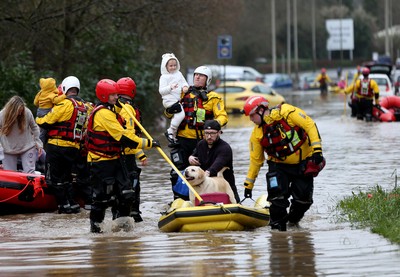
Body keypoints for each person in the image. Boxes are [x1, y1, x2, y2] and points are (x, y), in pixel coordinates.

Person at [86, 79, 160, 233]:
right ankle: (96, 229)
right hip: (100, 162)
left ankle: (121, 228)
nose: (116, 97)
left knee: (127, 193)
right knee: (102, 197)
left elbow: (127, 127)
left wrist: (121, 106)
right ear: (105, 96)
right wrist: (148, 143)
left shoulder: (114, 109)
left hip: (116, 159)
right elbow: (123, 137)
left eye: (117, 94)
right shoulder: (103, 114)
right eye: (113, 95)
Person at [242, 95, 325, 231]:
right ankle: (277, 235)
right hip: (278, 167)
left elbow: (309, 125)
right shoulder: (256, 134)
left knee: (303, 201)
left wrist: (317, 151)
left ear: (261, 110)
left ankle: (292, 221)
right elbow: (255, 161)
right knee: (277, 202)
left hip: (302, 163)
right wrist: (248, 185)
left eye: (252, 116)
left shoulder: (287, 112)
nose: (251, 119)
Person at [169, 65, 228, 200]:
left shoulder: (213, 97)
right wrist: (170, 110)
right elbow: (168, 113)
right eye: (196, 74)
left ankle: (207, 198)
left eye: (201, 75)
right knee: (177, 173)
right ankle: (179, 200)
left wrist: (212, 126)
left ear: (207, 80)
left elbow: (223, 117)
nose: (197, 77)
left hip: (202, 141)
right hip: (183, 140)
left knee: (203, 172)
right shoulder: (183, 93)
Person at [36, 76, 88, 214]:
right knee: (67, 178)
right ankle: (73, 204)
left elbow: (46, 121)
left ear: (64, 88)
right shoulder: (84, 107)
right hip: (74, 149)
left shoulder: (64, 104)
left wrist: (37, 118)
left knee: (53, 179)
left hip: (57, 147)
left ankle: (64, 205)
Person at [116, 76, 148, 222]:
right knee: (132, 183)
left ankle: (123, 213)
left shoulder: (115, 105)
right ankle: (133, 212)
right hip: (126, 155)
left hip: (119, 153)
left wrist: (141, 155)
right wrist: (148, 144)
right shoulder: (127, 108)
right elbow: (130, 135)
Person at [188, 119, 239, 203]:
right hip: (203, 187)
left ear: (219, 133)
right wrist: (190, 157)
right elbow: (194, 154)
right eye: (206, 133)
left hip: (224, 187)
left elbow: (218, 163)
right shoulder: (201, 144)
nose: (209, 136)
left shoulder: (225, 148)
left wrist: (208, 172)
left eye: (212, 133)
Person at [0, 96, 43, 173]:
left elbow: (35, 128)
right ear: (12, 110)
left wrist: (38, 143)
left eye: (21, 111)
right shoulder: (2, 115)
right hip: (8, 148)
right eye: (18, 111)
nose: (20, 113)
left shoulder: (26, 112)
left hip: (27, 146)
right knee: (10, 176)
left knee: (30, 173)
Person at [159, 53, 189, 147]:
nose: (173, 67)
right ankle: (170, 130)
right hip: (168, 100)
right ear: (165, 66)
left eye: (175, 65)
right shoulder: (163, 77)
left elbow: (185, 83)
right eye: (171, 66)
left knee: (179, 116)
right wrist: (170, 87)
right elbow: (161, 91)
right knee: (181, 114)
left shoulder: (179, 74)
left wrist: (185, 87)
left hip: (177, 100)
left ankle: (174, 135)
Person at [33, 77, 66, 143]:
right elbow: (56, 100)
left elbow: (35, 102)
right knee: (44, 129)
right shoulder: (51, 94)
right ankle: (40, 144)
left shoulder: (40, 93)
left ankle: (38, 140)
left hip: (39, 111)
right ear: (51, 87)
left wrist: (41, 104)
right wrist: (65, 95)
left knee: (40, 128)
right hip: (46, 112)